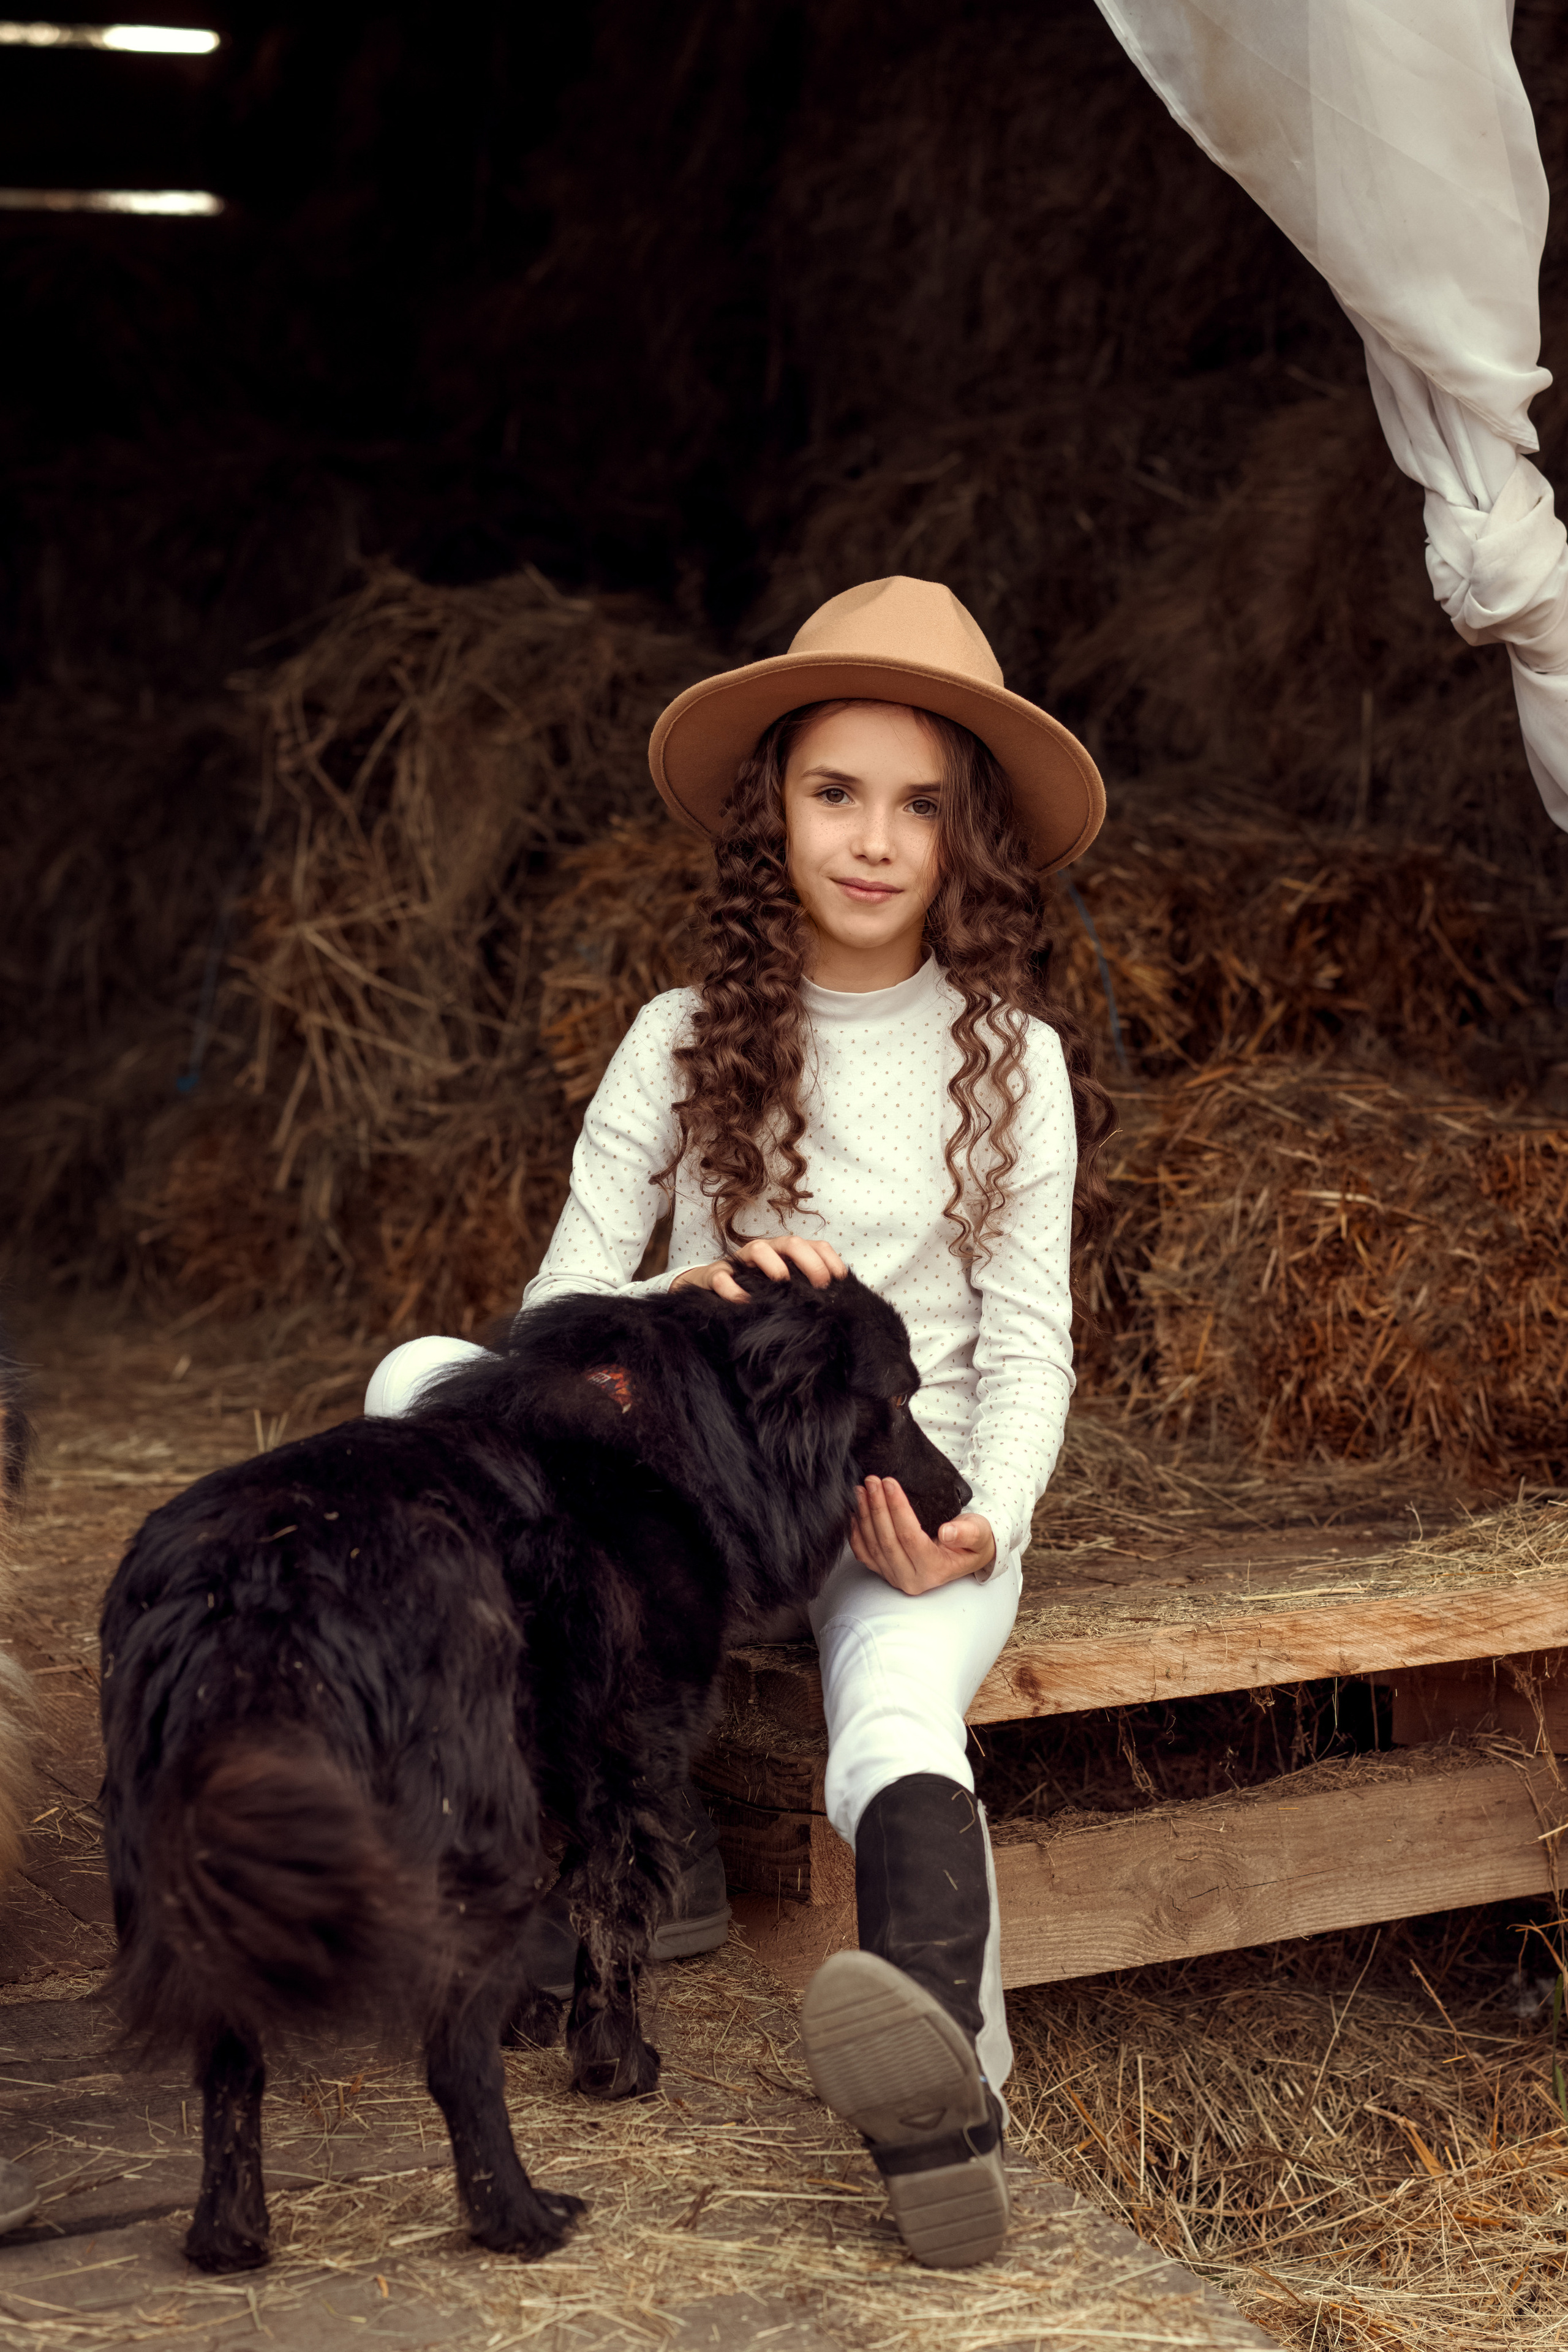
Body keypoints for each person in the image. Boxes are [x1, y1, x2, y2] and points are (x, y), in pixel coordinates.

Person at [365, 575, 1112, 2268]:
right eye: (837, 792)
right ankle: (596, 1830)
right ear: (774, 806)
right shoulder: (680, 1039)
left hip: (892, 1507)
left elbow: (1032, 1345)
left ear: (971, 838)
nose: (875, 840)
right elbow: (549, 1318)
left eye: (921, 804)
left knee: (893, 1719)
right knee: (416, 1384)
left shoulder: (1014, 1061)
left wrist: (986, 1519)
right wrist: (686, 1292)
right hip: (690, 1511)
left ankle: (940, 2088)